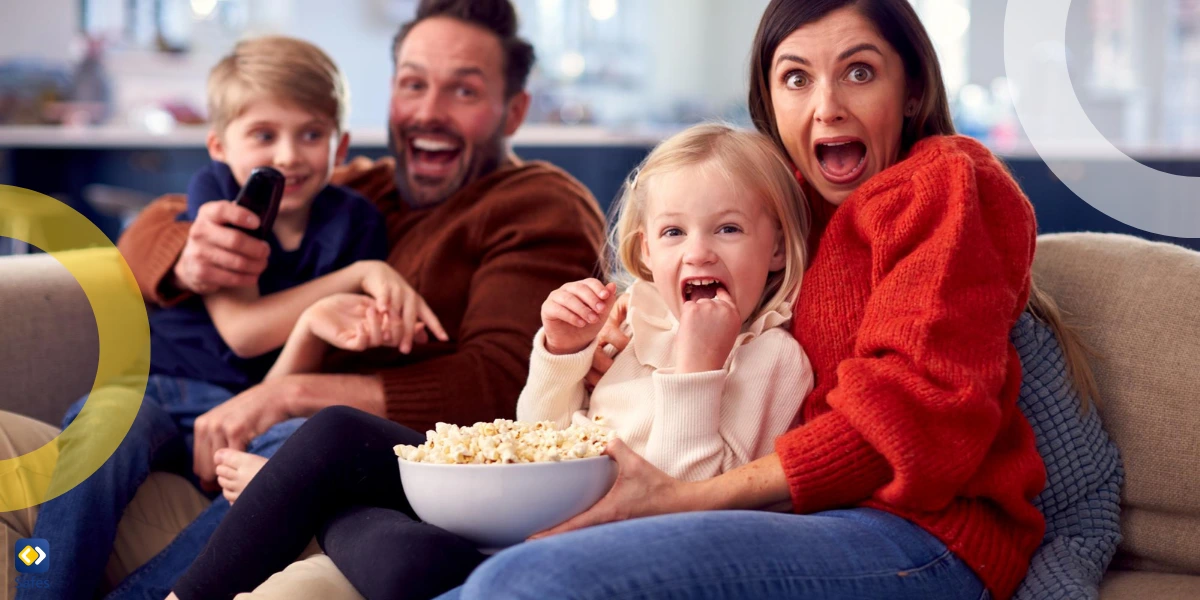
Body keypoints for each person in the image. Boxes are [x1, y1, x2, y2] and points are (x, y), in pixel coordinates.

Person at [434, 1, 1101, 600]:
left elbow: (906, 423)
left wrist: (681, 500)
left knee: (527, 582)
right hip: (798, 522)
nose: (827, 106)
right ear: (768, 100)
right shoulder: (778, 211)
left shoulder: (943, 183)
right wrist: (615, 337)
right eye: (796, 78)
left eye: (859, 72)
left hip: (923, 539)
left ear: (912, 89)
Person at [0, 0, 605, 597]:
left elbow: (502, 383)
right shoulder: (369, 187)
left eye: (464, 91)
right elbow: (148, 234)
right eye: (413, 84)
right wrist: (188, 254)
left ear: (516, 110)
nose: (428, 113)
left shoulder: (537, 204)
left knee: (286, 466)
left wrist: (286, 395)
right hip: (206, 417)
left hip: (314, 464)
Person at [166, 122, 815, 600]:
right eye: (675, 232)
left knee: (407, 572)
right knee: (338, 432)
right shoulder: (634, 326)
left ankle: (306, 501)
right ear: (647, 252)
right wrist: (562, 352)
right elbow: (540, 433)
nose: (698, 253)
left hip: (576, 546)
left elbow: (686, 500)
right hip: (519, 507)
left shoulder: (775, 361)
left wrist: (695, 370)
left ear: (778, 251)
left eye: (727, 229)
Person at [20, 35, 438, 600]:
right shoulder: (219, 198)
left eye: (311, 134)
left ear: (341, 148)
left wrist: (323, 319)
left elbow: (283, 380)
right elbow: (243, 333)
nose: (288, 155)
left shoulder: (357, 221)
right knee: (105, 425)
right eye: (264, 135)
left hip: (260, 405)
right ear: (220, 145)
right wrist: (354, 276)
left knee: (295, 459)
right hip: (159, 388)